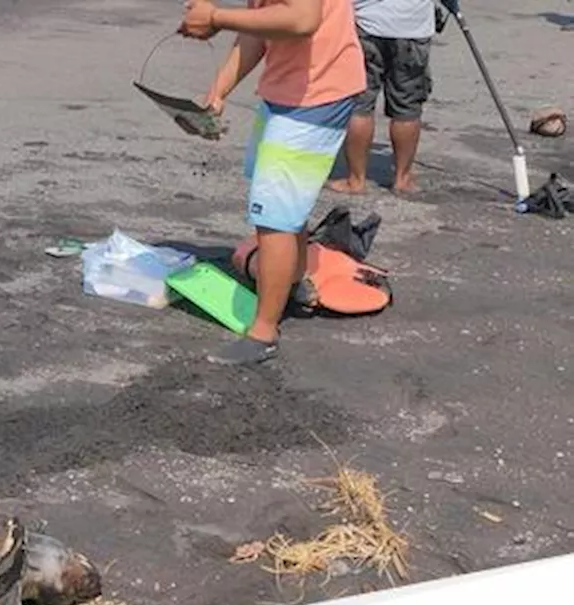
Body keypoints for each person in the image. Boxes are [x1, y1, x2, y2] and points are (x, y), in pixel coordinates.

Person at [178, 0, 367, 365]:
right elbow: (258, 28)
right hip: (284, 91)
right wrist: (218, 91)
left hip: (317, 95)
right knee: (284, 206)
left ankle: (264, 332)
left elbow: (301, 18)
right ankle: (292, 283)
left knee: (274, 216)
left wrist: (216, 17)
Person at [327, 0, 436, 195]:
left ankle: (356, 179)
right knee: (407, 107)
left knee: (359, 103)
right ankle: (402, 178)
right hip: (412, 26)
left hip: (366, 23)